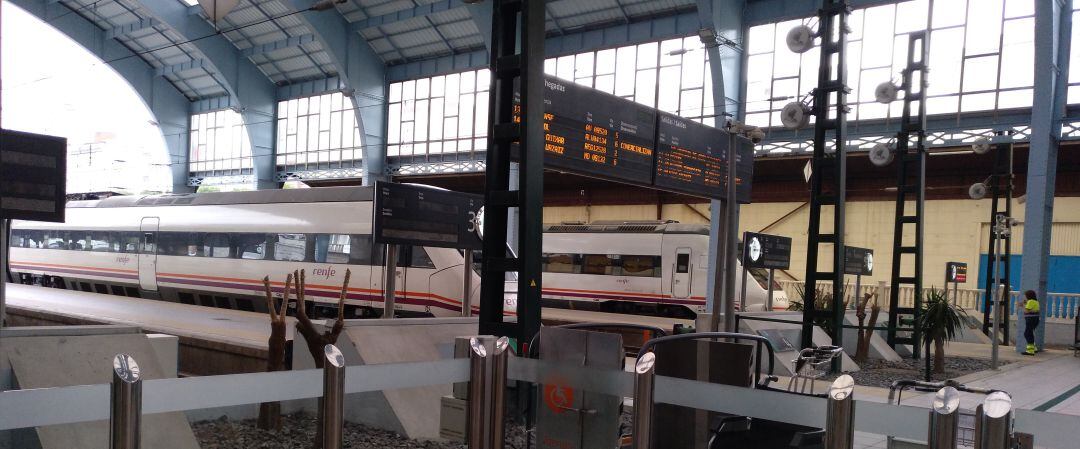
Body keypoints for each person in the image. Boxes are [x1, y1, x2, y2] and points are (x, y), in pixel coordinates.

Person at [1022, 290, 1041, 356]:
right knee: (1030, 333)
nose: (1025, 297)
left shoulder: (1030, 301)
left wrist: (1024, 305)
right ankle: (1034, 348)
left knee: (1027, 334)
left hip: (1030, 319)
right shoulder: (1036, 302)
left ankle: (1030, 351)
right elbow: (1034, 310)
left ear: (1029, 296)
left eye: (1026, 296)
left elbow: (1026, 311)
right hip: (1035, 320)